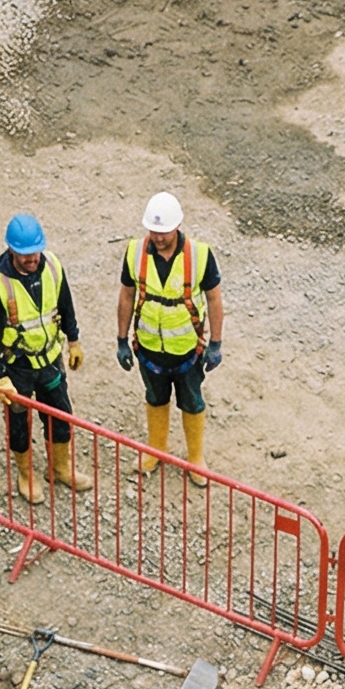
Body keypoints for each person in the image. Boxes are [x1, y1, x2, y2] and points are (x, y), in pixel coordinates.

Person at [0, 212, 88, 507]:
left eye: (34, 252)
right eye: (24, 254)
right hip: (18, 369)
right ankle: (26, 474)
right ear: (11, 250)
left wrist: (74, 340)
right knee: (19, 423)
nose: (31, 259)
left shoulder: (52, 267)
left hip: (51, 360)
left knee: (60, 415)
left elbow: (66, 304)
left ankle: (60, 468)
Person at [116, 192, 223, 477]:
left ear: (177, 226)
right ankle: (156, 450)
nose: (158, 237)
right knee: (155, 397)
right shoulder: (135, 252)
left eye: (163, 232)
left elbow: (214, 299)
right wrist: (121, 340)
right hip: (149, 348)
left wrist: (216, 344)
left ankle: (195, 459)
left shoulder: (200, 255)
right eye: (153, 231)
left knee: (191, 401)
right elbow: (127, 295)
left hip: (187, 350)